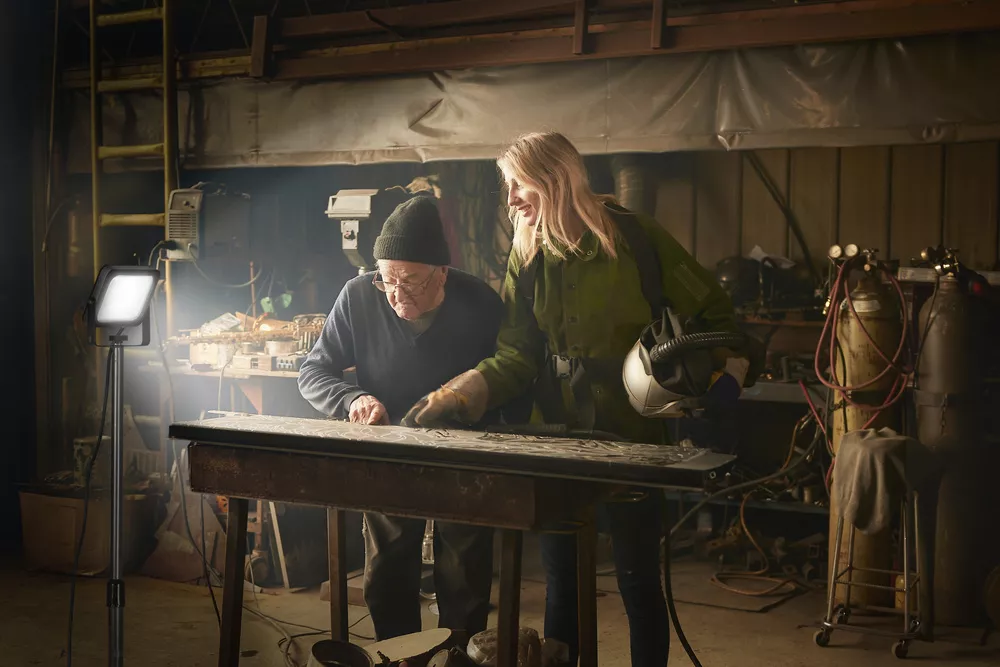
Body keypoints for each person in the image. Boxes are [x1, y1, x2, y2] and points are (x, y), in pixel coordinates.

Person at [403, 132, 748, 666]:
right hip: (557, 438)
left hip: (634, 436)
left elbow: (716, 317)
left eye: (518, 184)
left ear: (555, 178)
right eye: (507, 186)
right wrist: (459, 394)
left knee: (638, 581)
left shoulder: (636, 238)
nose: (510, 198)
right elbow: (516, 355)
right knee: (563, 582)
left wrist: (709, 375)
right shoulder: (527, 255)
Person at [297, 195, 501, 643]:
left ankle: (457, 655)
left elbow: (510, 376)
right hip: (388, 448)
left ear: (441, 272)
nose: (395, 294)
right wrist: (352, 398)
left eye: (409, 281)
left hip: (463, 455)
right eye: (387, 280)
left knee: (464, 572)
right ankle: (400, 655)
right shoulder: (358, 296)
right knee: (388, 567)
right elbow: (313, 372)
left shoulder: (479, 302)